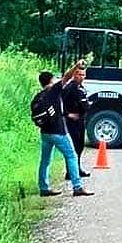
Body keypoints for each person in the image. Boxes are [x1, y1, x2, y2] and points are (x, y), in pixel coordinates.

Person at [36, 65, 94, 197]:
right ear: (50, 81)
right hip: (58, 132)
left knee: (45, 160)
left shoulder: (39, 95)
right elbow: (67, 76)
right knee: (72, 156)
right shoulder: (54, 90)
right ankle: (77, 187)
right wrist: (76, 66)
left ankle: (43, 187)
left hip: (45, 132)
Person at [62, 61, 91, 180]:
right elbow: (61, 103)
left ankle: (77, 169)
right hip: (71, 122)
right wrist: (68, 115)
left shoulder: (82, 88)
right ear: (74, 75)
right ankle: (70, 172)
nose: (81, 77)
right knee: (72, 147)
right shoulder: (69, 88)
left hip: (80, 120)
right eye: (79, 74)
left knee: (79, 146)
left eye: (83, 75)